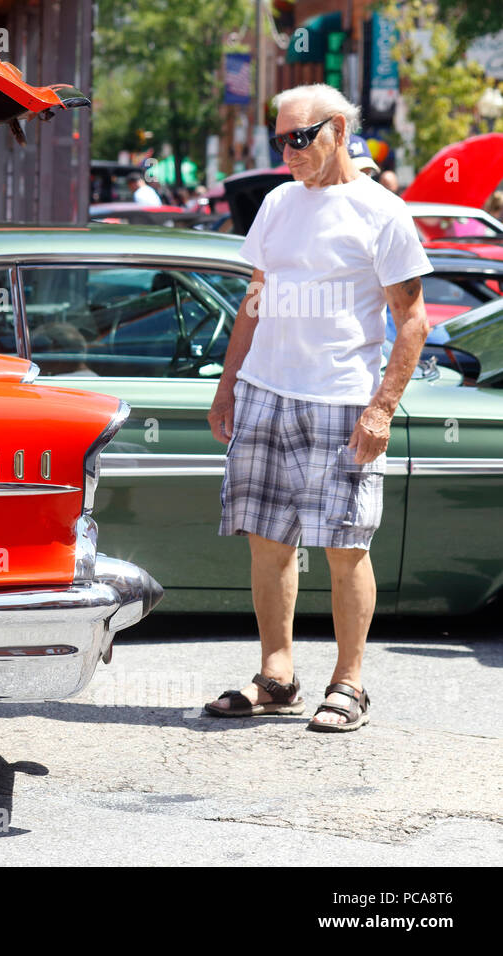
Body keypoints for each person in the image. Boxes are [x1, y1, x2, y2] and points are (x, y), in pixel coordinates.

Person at [204, 83, 431, 732]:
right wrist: (229, 386)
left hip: (341, 403)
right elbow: (255, 298)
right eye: (280, 140)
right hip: (266, 395)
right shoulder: (277, 203)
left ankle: (350, 683)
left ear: (337, 130)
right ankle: (277, 677)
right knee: (267, 544)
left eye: (299, 139)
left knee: (344, 546)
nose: (288, 152)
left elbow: (411, 322)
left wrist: (381, 411)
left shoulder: (381, 212)